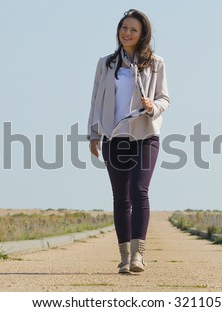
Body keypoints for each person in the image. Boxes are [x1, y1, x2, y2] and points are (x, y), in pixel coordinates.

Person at [87, 9, 170, 273]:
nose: (127, 33)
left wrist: (152, 105)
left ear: (143, 34)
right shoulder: (106, 64)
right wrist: (93, 134)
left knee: (139, 190)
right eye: (124, 28)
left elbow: (165, 98)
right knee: (121, 198)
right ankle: (124, 257)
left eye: (133, 29)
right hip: (114, 137)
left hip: (145, 135)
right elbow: (95, 101)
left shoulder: (155, 63)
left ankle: (138, 256)